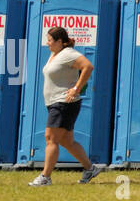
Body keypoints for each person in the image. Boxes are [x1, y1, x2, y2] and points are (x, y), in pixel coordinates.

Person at [28, 26, 105, 186]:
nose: (47, 43)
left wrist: (76, 88)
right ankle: (90, 168)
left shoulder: (68, 54)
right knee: (66, 141)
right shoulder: (55, 54)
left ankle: (45, 177)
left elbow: (88, 66)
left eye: (50, 40)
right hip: (55, 102)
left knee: (51, 138)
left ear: (60, 42)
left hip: (64, 103)